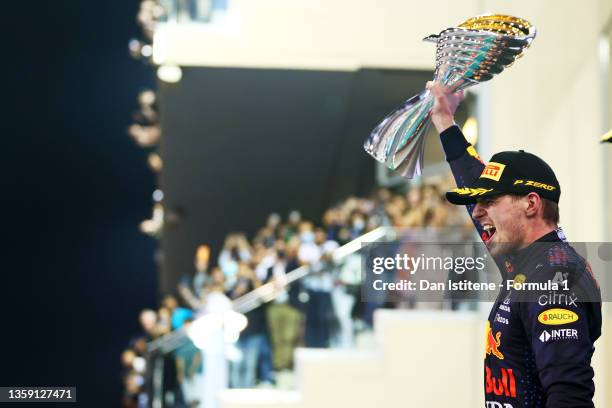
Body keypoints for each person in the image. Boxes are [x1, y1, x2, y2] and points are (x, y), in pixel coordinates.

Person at [428, 82, 602, 408]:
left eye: (490, 200)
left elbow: (569, 397)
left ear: (531, 204)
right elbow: (472, 185)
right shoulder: (524, 261)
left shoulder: (554, 275)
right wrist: (444, 121)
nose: (478, 212)